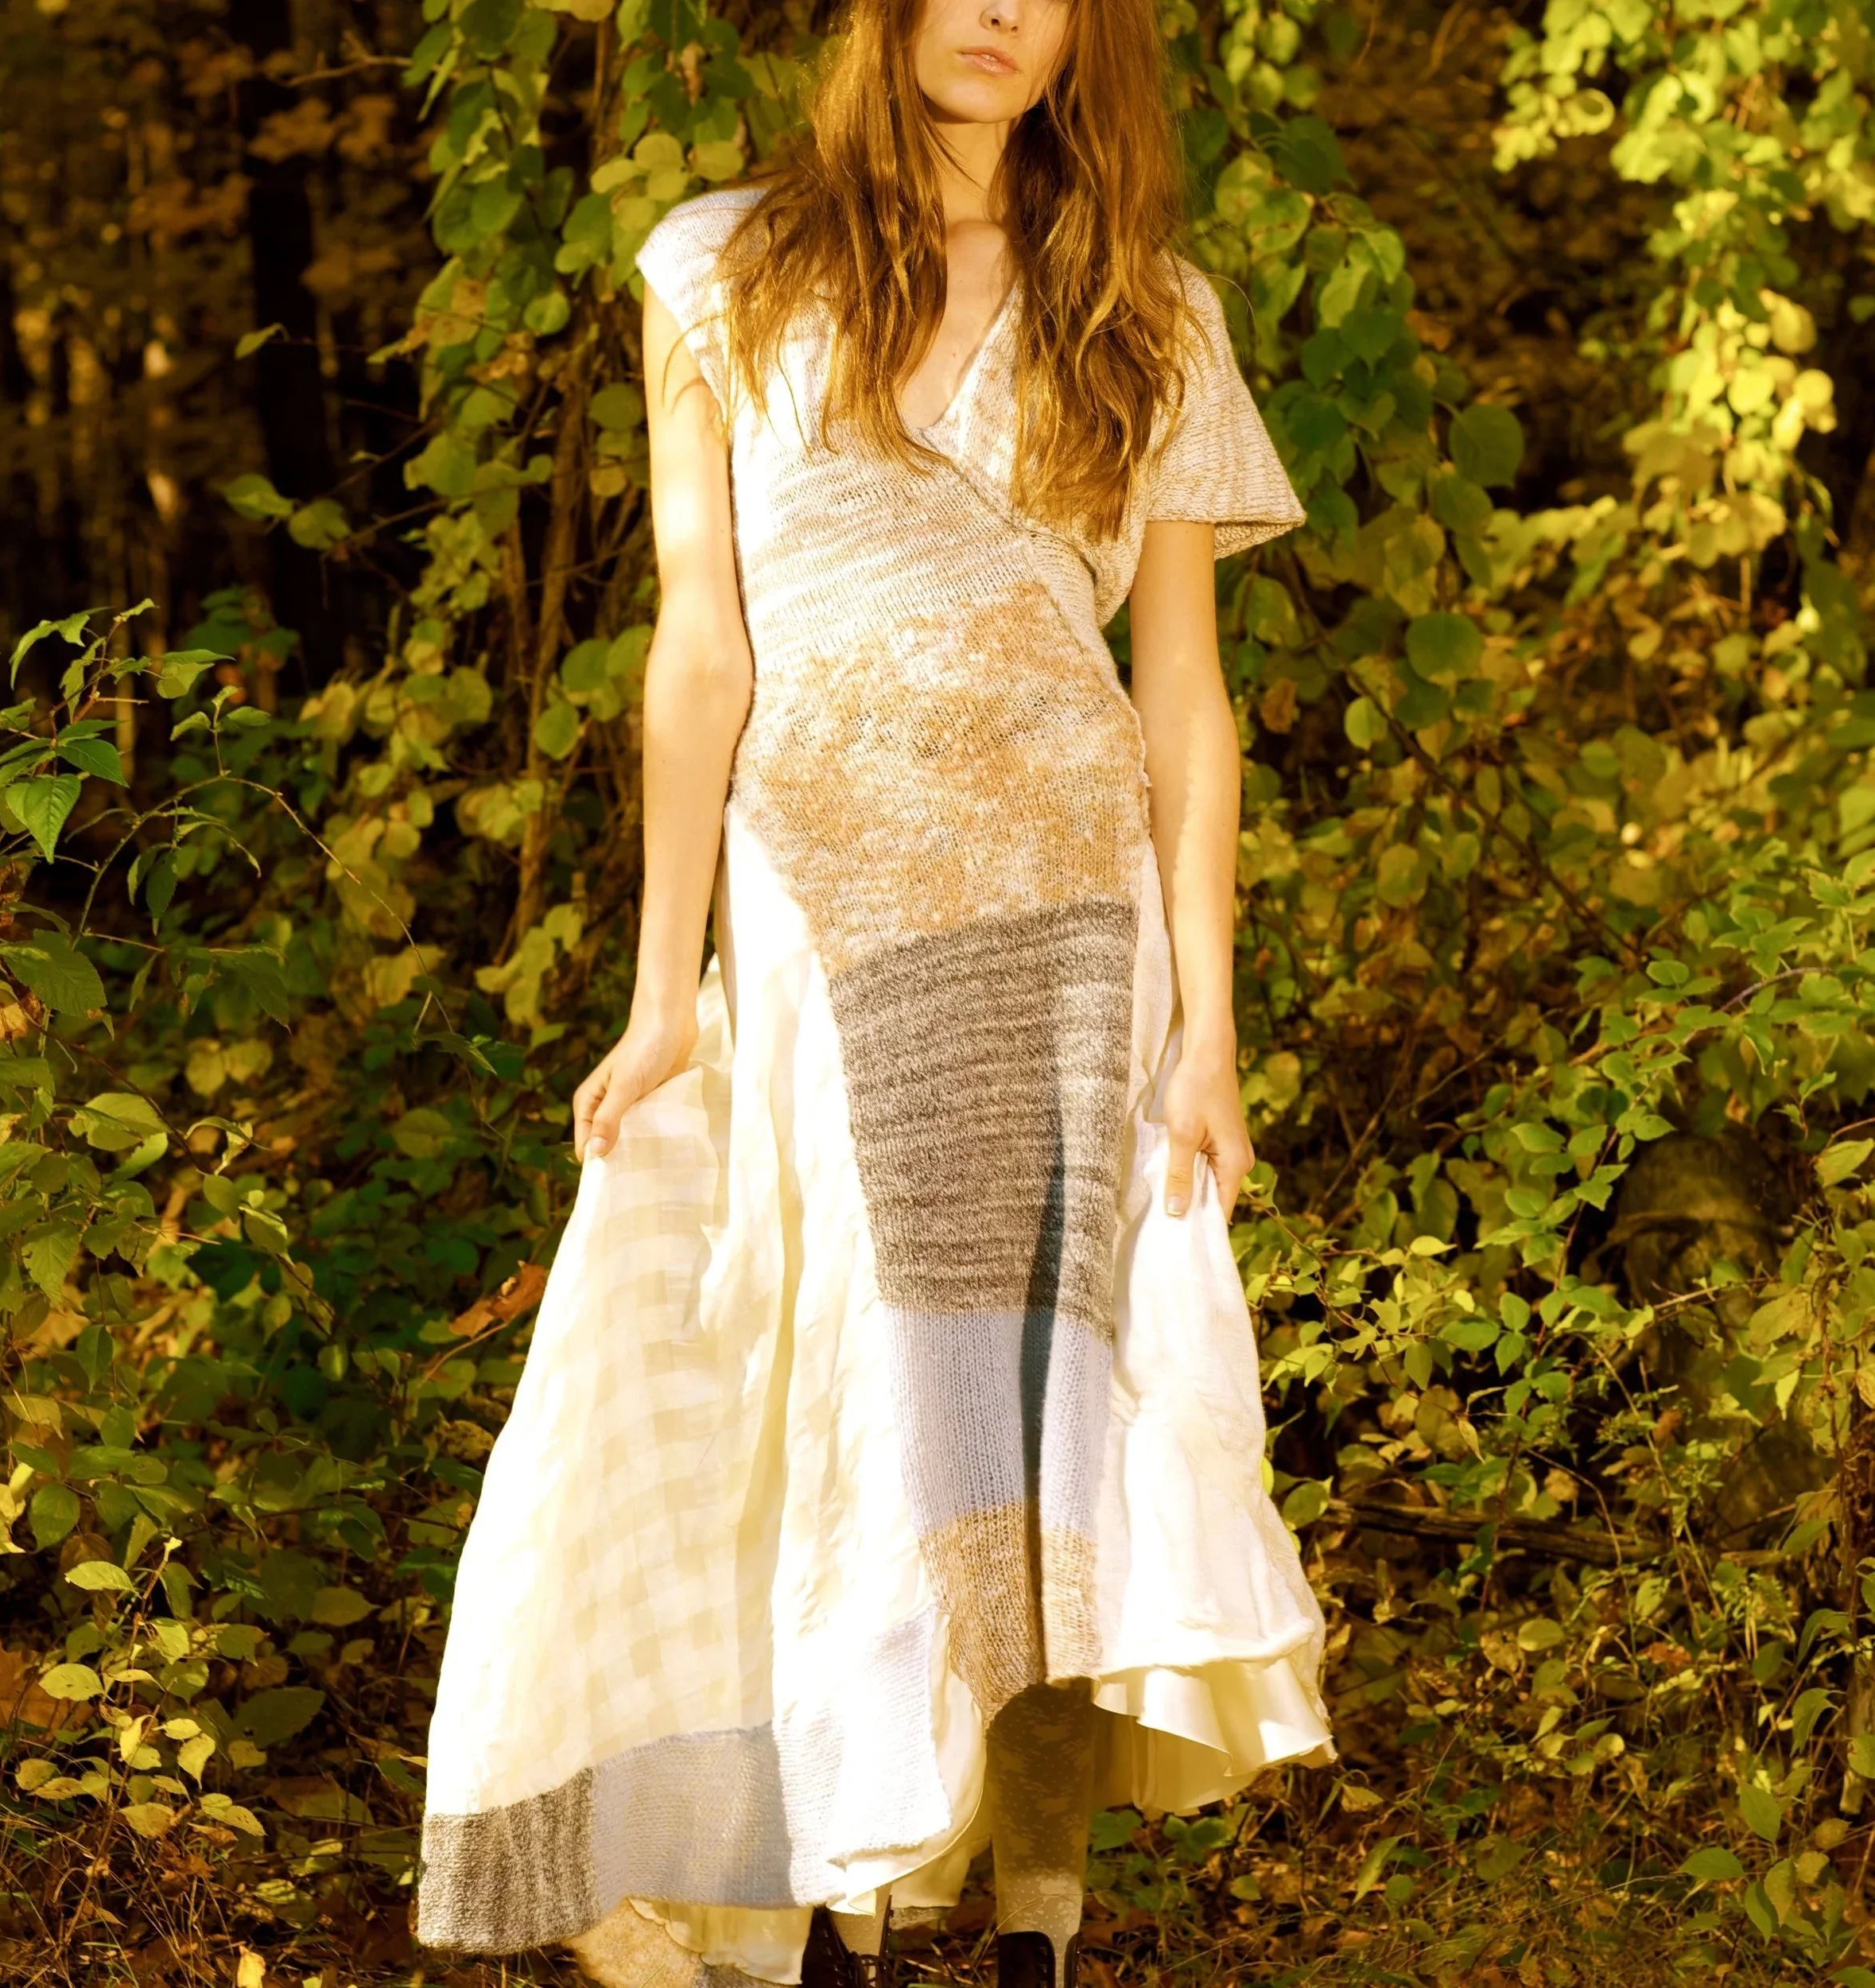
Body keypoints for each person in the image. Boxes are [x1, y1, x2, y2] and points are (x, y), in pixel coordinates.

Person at [414, 0, 1335, 1982]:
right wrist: (662, 994)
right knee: (866, 1393)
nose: (1001, 8)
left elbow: (1180, 695)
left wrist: (1209, 1033)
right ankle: (843, 1894)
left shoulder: (1145, 308)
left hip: (1075, 912)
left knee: (1045, 1422)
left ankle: (1032, 1922)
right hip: (828, 902)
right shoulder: (721, 265)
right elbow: (697, 648)